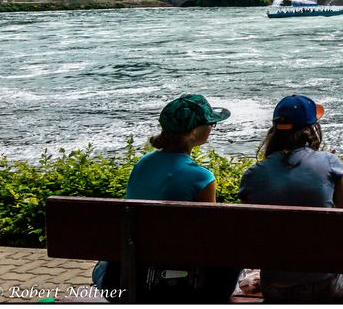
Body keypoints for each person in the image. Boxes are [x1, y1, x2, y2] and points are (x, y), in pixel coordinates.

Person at [92, 94, 240, 303]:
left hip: (124, 277)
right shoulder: (202, 178)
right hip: (178, 284)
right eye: (210, 124)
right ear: (193, 131)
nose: (211, 128)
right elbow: (208, 238)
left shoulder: (142, 165)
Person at [238, 95, 343, 302]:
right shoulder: (330, 163)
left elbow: (251, 233)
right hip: (326, 285)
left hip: (274, 286)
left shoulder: (252, 176)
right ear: (312, 130)